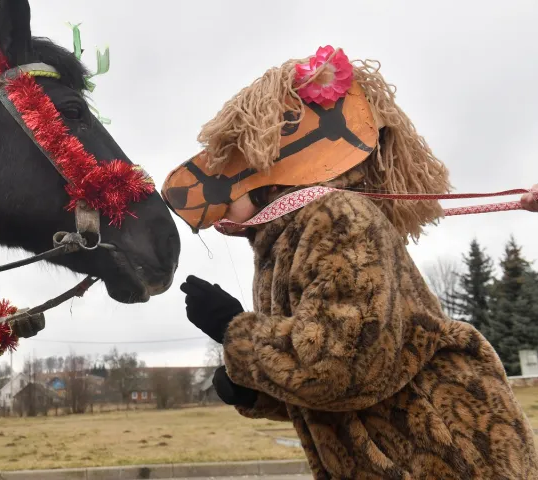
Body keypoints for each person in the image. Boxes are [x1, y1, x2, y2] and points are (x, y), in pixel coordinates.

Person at [162, 46, 538, 478]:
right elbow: (343, 387)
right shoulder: (286, 236)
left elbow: (343, 367)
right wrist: (253, 392)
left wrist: (234, 330)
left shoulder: (336, 216)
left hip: (448, 458)